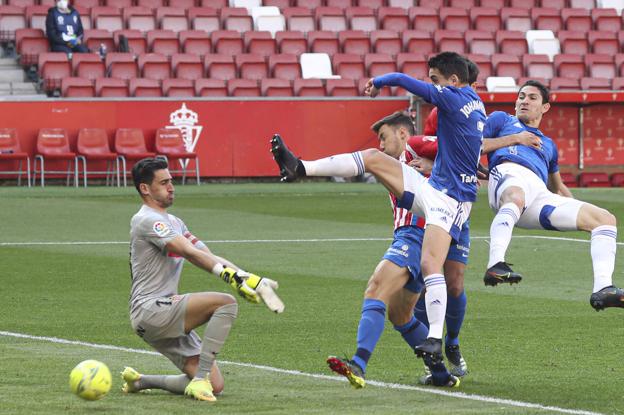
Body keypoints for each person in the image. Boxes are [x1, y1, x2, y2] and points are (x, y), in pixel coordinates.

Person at [272, 52, 486, 370]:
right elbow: (468, 144)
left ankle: (439, 344)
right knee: (372, 158)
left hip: (436, 214)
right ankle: (300, 167)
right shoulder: (468, 108)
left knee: (430, 276)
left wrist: (381, 82)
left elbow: (467, 140)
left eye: (385, 136)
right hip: (433, 202)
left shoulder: (431, 127)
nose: (384, 143)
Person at [121, 158, 283, 402]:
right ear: (145, 189)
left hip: (160, 312)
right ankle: (198, 380)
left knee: (216, 385)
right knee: (225, 303)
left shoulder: (174, 222)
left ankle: (140, 381)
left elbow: (206, 254)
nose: (171, 187)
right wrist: (232, 279)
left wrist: (250, 279)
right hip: (151, 309)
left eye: (171, 181)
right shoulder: (146, 220)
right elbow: (187, 252)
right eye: (164, 182)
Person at [326, 111, 467, 389]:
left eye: (383, 137)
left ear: (403, 134)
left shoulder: (418, 156)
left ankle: (358, 364)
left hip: (415, 236)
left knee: (376, 287)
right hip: (415, 238)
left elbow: (463, 152)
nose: (380, 145)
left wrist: (432, 163)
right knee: (400, 315)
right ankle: (440, 375)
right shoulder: (396, 166)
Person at [481, 80, 624, 310]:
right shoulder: (501, 119)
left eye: (531, 98)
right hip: (508, 174)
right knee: (516, 196)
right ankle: (495, 264)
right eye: (521, 96)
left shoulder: (548, 145)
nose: (524, 101)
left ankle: (603, 288)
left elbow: (557, 188)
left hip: (538, 194)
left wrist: (577, 209)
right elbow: (472, 146)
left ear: (545, 107)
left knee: (604, 219)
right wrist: (516, 138)